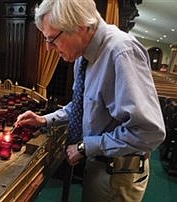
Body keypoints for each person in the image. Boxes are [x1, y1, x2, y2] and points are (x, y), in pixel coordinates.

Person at [15, 0, 166, 201]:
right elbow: (83, 106)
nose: (49, 48)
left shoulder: (121, 52)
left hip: (117, 173)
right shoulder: (82, 55)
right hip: (98, 164)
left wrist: (86, 146)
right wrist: (44, 119)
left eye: (52, 40)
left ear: (80, 27)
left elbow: (149, 132)